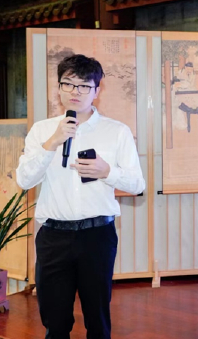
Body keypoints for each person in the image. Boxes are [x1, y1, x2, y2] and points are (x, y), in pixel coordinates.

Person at [16, 54, 145, 339]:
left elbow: (137, 184)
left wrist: (107, 171)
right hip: (53, 237)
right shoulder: (42, 130)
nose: (75, 91)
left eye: (85, 85)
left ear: (97, 91)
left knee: (97, 319)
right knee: (55, 321)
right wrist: (53, 142)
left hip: (97, 236)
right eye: (69, 83)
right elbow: (24, 180)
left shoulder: (116, 132)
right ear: (59, 87)